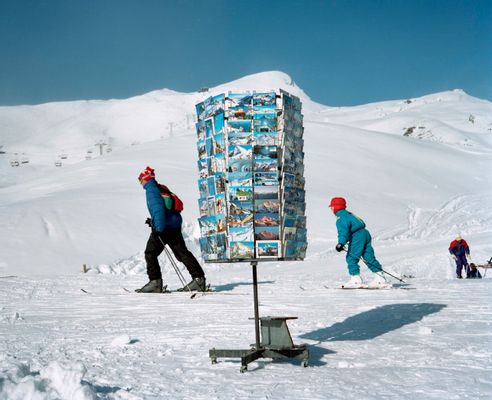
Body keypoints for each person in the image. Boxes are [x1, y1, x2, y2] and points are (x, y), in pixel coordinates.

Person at [136, 166, 206, 293]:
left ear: (145, 179)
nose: (140, 182)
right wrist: (153, 221)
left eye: (140, 179)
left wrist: (158, 228)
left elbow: (158, 210)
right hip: (174, 225)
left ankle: (155, 282)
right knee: (182, 253)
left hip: (164, 228)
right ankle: (199, 279)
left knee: (150, 253)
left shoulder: (151, 190)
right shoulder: (161, 187)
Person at [329, 197, 388, 288]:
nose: (331, 209)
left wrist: (341, 243)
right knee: (368, 256)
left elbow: (343, 232)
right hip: (365, 233)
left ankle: (355, 280)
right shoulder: (349, 214)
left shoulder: (341, 218)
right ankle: (380, 278)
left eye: (332, 206)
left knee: (351, 257)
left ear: (336, 207)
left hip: (357, 236)